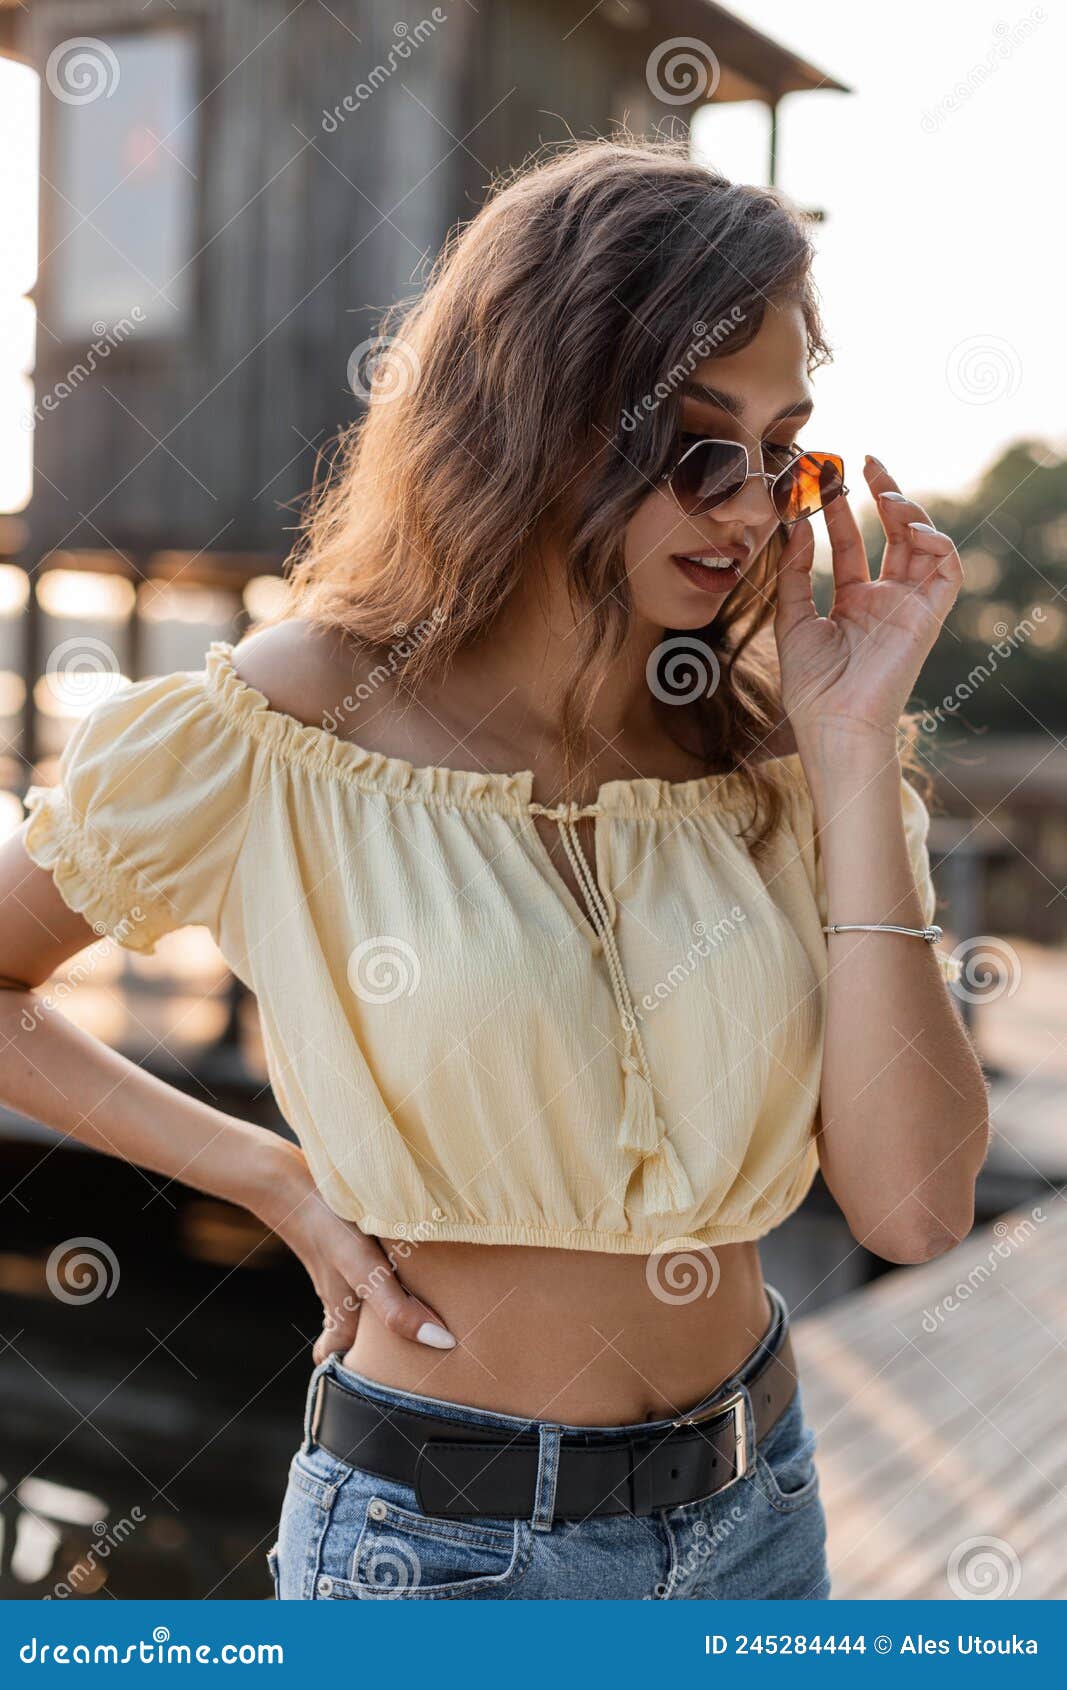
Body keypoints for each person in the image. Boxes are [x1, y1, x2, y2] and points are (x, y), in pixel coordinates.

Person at [0, 139, 988, 1600]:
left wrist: (853, 747)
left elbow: (911, 1211)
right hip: (442, 1549)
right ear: (538, 413)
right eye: (695, 442)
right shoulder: (297, 719)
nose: (745, 504)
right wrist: (268, 1175)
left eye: (784, 454)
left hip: (759, 1512)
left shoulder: (785, 757)